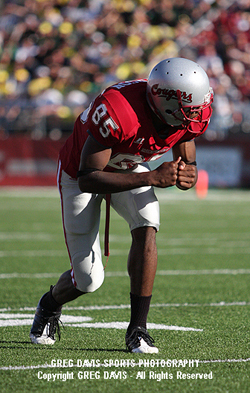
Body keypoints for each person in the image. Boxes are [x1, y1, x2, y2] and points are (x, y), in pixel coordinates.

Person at [30, 57, 213, 353]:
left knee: (148, 224)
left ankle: (137, 330)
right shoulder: (119, 111)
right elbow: (88, 178)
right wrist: (152, 176)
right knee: (88, 280)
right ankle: (49, 304)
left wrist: (187, 170)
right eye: (189, 109)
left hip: (129, 165)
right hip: (81, 174)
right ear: (164, 102)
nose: (197, 115)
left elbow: (185, 140)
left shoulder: (178, 114)